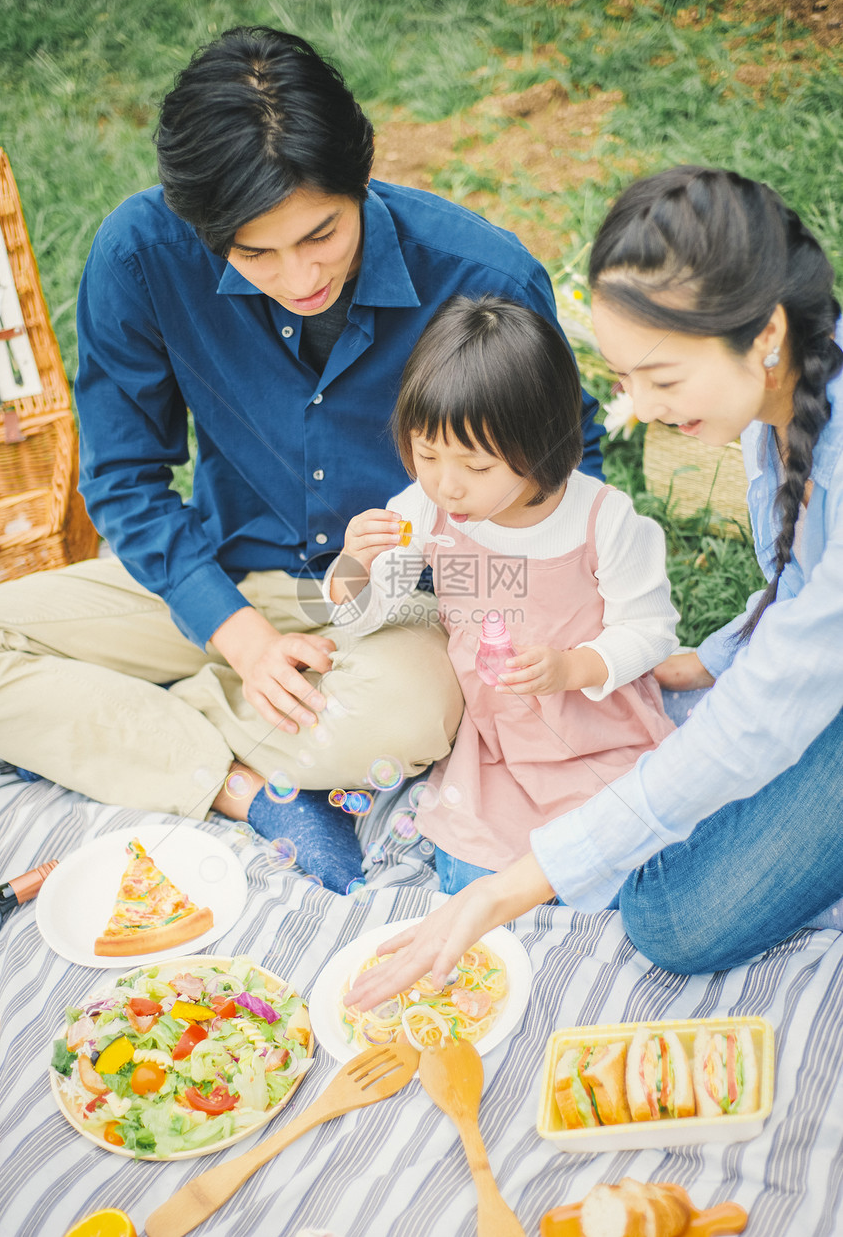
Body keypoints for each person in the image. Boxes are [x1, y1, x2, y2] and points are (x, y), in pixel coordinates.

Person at [0, 27, 604, 893]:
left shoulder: (480, 276)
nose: (297, 275)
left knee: (414, 719)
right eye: (251, 253)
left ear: (359, 180)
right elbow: (124, 479)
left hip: (407, 607)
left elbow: (573, 470)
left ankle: (152, 716)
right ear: (204, 230)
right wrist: (239, 637)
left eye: (321, 234)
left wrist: (485, 595)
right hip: (227, 571)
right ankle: (245, 787)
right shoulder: (141, 255)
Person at [344, 163, 843, 995]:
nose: (641, 411)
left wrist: (521, 881)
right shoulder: (776, 409)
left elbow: (762, 720)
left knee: (669, 917)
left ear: (764, 334)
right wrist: (720, 656)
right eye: (624, 379)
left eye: (664, 377)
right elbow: (804, 586)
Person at [327, 295, 678, 893]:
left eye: (475, 466)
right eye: (426, 453)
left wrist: (573, 667)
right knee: (468, 875)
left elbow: (650, 629)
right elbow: (361, 619)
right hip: (495, 742)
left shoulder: (603, 521)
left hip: (593, 725)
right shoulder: (421, 512)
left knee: (628, 862)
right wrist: (354, 564)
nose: (445, 483)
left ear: (539, 450)